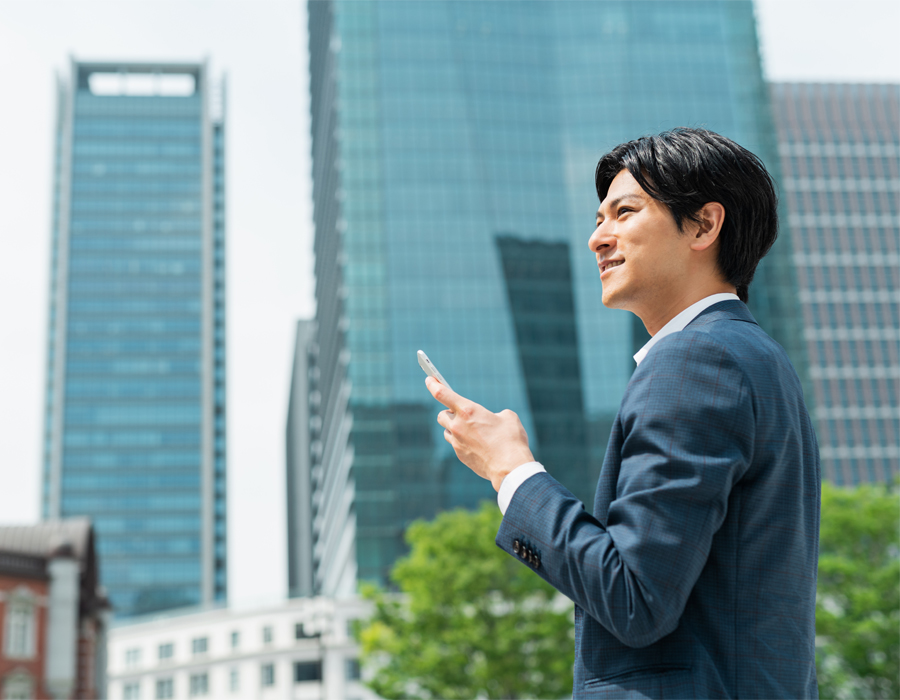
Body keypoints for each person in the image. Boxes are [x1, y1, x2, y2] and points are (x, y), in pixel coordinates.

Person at [426, 128, 820, 699]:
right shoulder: (755, 358)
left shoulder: (695, 360)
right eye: (597, 219)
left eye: (624, 212)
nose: (597, 239)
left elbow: (635, 598)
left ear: (705, 225)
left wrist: (510, 471)